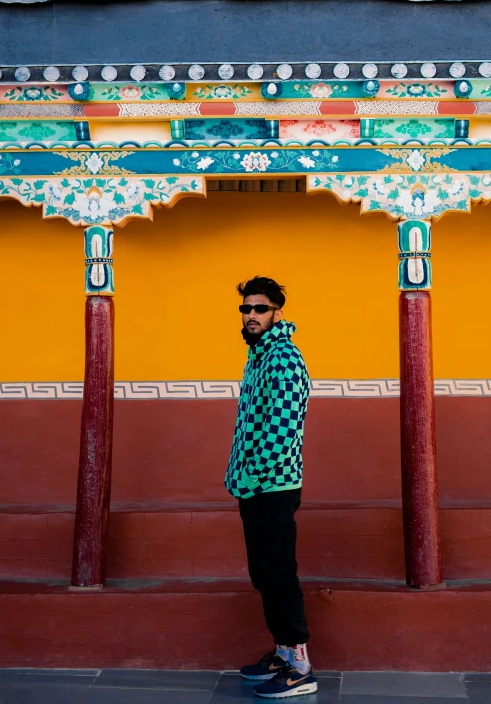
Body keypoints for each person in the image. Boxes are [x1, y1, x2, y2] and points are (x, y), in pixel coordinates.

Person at [225, 276, 317, 699]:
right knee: (263, 573)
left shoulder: (283, 359)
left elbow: (281, 431)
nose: (251, 316)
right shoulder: (259, 355)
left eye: (259, 309)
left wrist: (250, 478)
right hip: (255, 486)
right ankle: (282, 653)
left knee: (278, 574)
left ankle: (300, 666)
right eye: (246, 309)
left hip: (273, 487)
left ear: (278, 311)